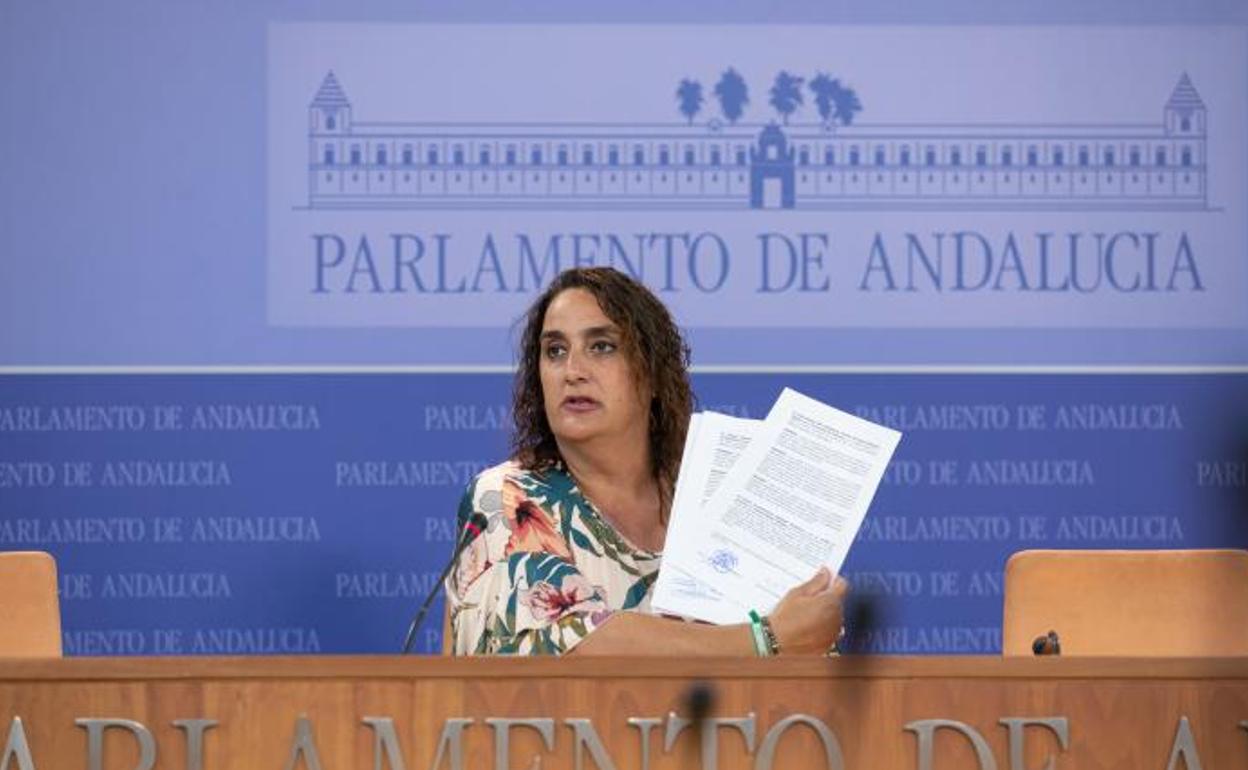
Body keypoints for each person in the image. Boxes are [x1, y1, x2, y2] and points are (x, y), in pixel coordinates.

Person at [445, 267, 848, 655]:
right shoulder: (505, 498)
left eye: (601, 346)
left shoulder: (719, 499)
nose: (573, 371)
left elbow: (802, 650)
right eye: (555, 351)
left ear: (653, 373)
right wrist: (765, 640)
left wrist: (809, 622)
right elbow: (572, 639)